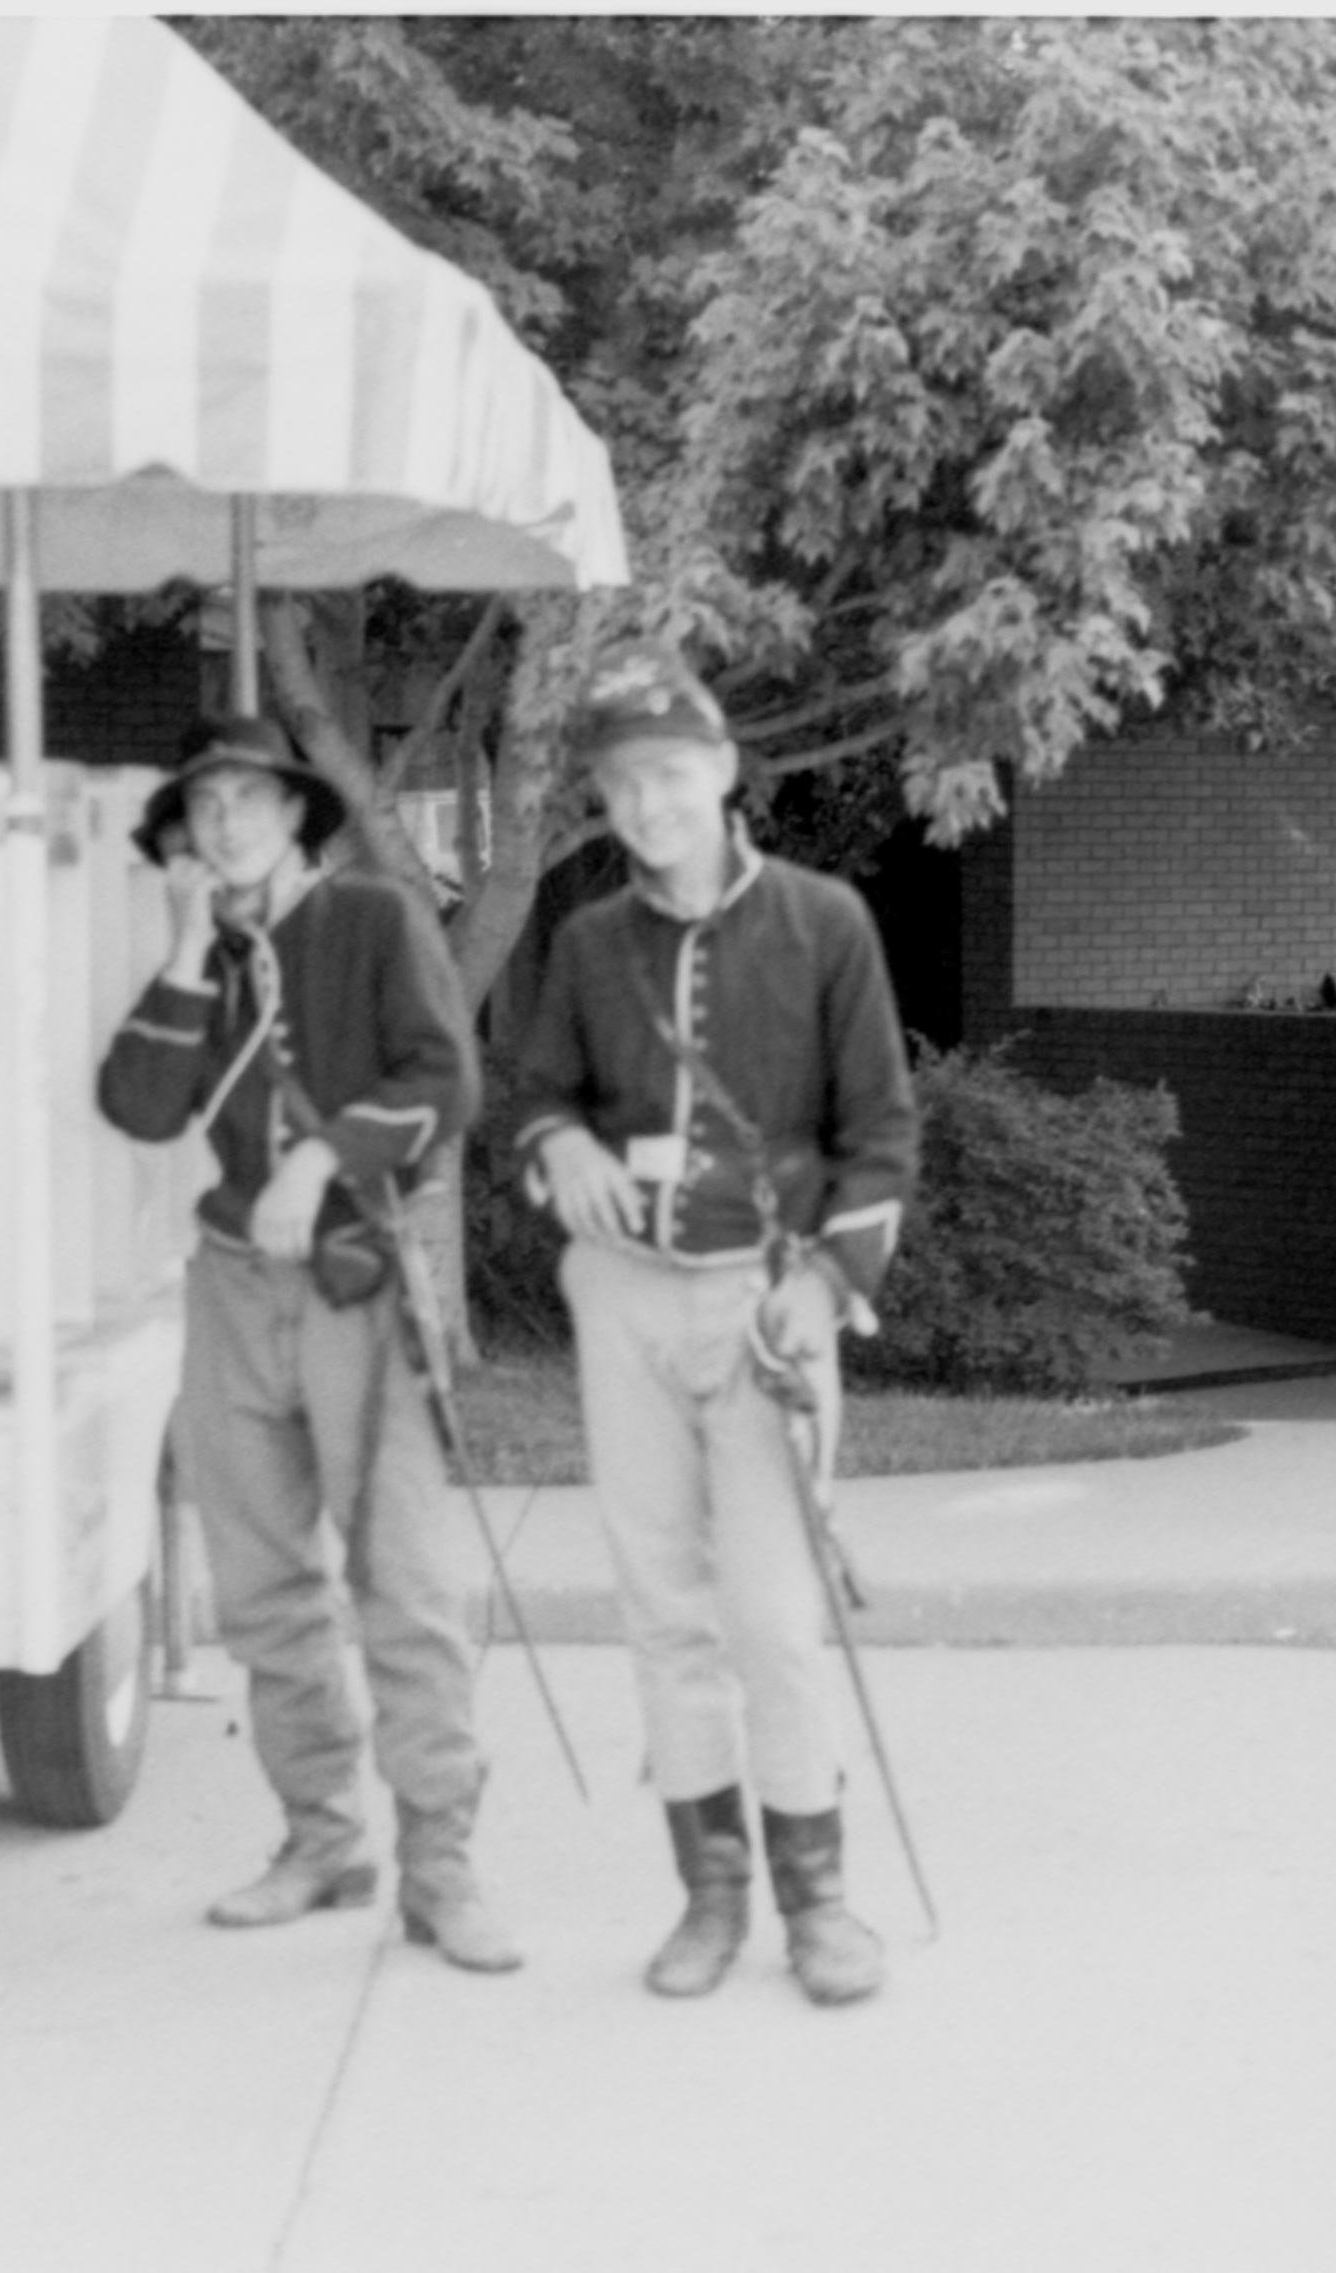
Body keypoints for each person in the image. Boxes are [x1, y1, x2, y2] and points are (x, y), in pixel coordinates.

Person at [510, 637, 920, 2006]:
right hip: (623, 1302)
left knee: (774, 1614)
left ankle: (820, 1902)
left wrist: (826, 1283)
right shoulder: (584, 943)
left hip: (768, 1303)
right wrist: (556, 1140)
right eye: (624, 784)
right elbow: (533, 1093)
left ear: (725, 774)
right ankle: (710, 1899)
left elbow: (880, 1138)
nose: (648, 806)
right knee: (660, 1607)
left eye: (672, 774)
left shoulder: (825, 923)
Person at [97, 714, 515, 1972]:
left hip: (349, 1280)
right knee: (264, 1586)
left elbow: (444, 1080)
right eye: (201, 806)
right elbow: (135, 1103)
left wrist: (328, 1155)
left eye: (244, 799)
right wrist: (180, 951)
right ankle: (320, 1837)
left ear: (291, 813)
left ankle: (440, 1866)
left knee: (404, 1585)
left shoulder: (371, 922)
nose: (222, 823)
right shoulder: (202, 956)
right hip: (229, 1289)